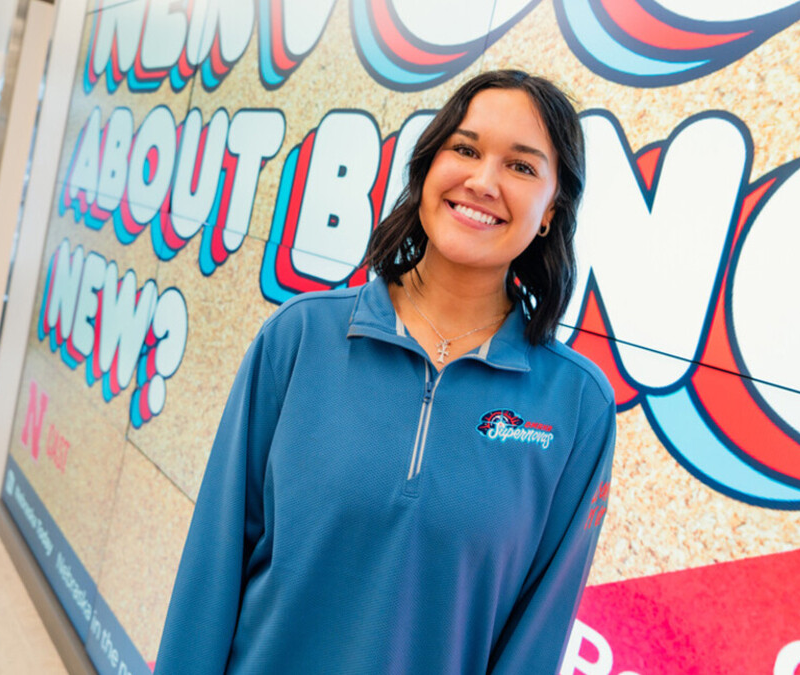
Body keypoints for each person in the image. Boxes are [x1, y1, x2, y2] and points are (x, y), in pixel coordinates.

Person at [155, 69, 616, 675]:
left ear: (552, 211)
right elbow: (213, 565)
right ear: (427, 167)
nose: (483, 181)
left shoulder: (576, 406)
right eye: (466, 149)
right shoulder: (300, 339)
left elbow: (536, 633)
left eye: (522, 167)